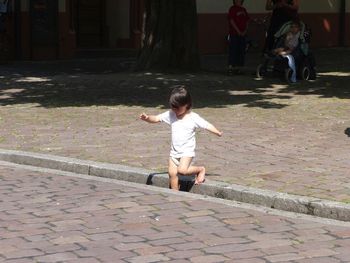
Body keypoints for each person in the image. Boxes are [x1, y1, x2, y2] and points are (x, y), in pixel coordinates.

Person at [139, 86, 223, 190]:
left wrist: (217, 132)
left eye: (177, 107)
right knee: (172, 173)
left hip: (187, 151)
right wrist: (147, 118)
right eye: (172, 107)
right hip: (174, 152)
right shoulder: (171, 114)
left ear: (186, 105)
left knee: (182, 170)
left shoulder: (193, 117)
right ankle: (175, 194)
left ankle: (200, 170)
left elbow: (207, 125)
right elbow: (156, 118)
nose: (174, 110)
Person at [227, 0, 250, 75]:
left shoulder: (243, 10)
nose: (238, 1)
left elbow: (247, 21)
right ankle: (231, 68)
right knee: (233, 50)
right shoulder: (232, 9)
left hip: (243, 34)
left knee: (241, 51)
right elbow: (231, 20)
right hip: (234, 33)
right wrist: (238, 31)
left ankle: (239, 68)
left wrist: (245, 31)